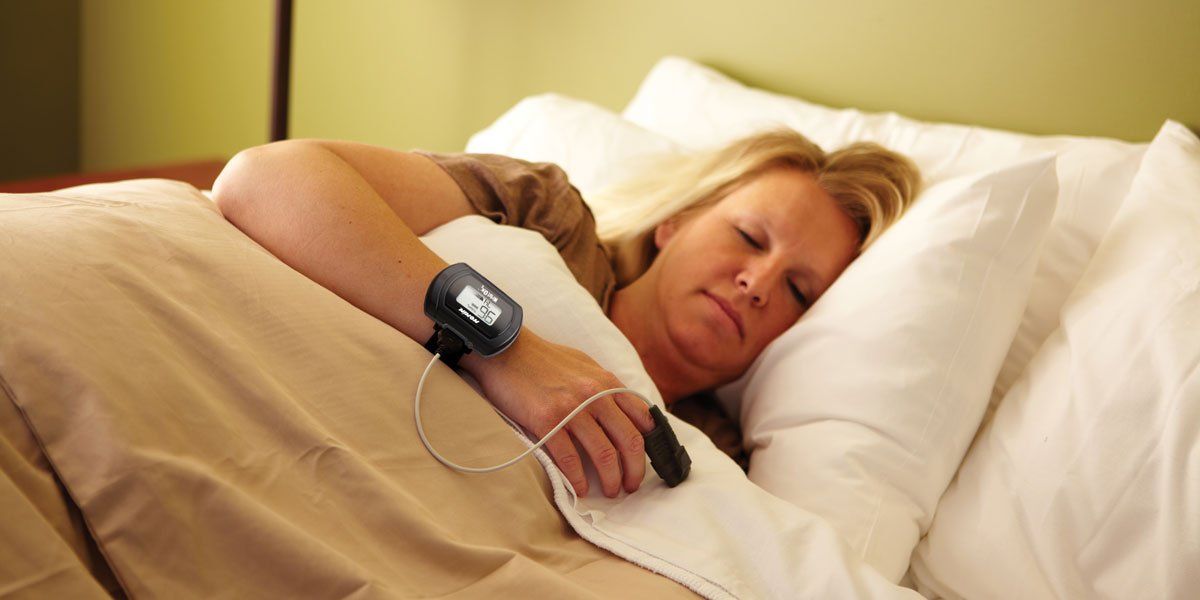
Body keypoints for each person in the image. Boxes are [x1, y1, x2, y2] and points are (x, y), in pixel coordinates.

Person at [211, 129, 919, 499]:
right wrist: (507, 348)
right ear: (678, 221)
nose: (758, 283)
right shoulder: (550, 219)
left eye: (799, 290)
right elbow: (267, 179)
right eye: (749, 237)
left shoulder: (712, 455)